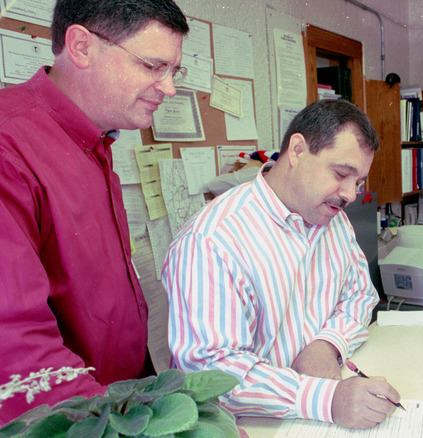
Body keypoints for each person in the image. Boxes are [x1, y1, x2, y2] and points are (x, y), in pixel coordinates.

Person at [0, 0, 188, 422]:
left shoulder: (96, 141)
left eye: (174, 71)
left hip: (111, 399)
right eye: (153, 66)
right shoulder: (8, 146)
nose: (169, 88)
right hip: (70, 417)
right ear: (82, 47)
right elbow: (11, 341)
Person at [162, 99, 401, 430]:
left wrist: (327, 343)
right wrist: (324, 399)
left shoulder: (332, 219)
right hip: (248, 426)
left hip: (318, 413)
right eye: (341, 174)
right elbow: (214, 373)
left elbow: (360, 295)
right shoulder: (213, 240)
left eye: (358, 182)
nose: (349, 194)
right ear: (298, 150)